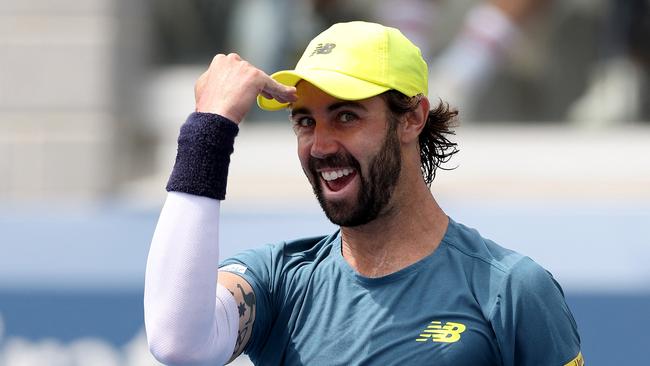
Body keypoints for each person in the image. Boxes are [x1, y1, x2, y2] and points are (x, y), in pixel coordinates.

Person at [144, 21, 583, 365]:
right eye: (305, 121)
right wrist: (208, 131)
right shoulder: (280, 280)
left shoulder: (511, 289)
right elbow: (178, 342)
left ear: (412, 118)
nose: (321, 145)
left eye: (347, 117)